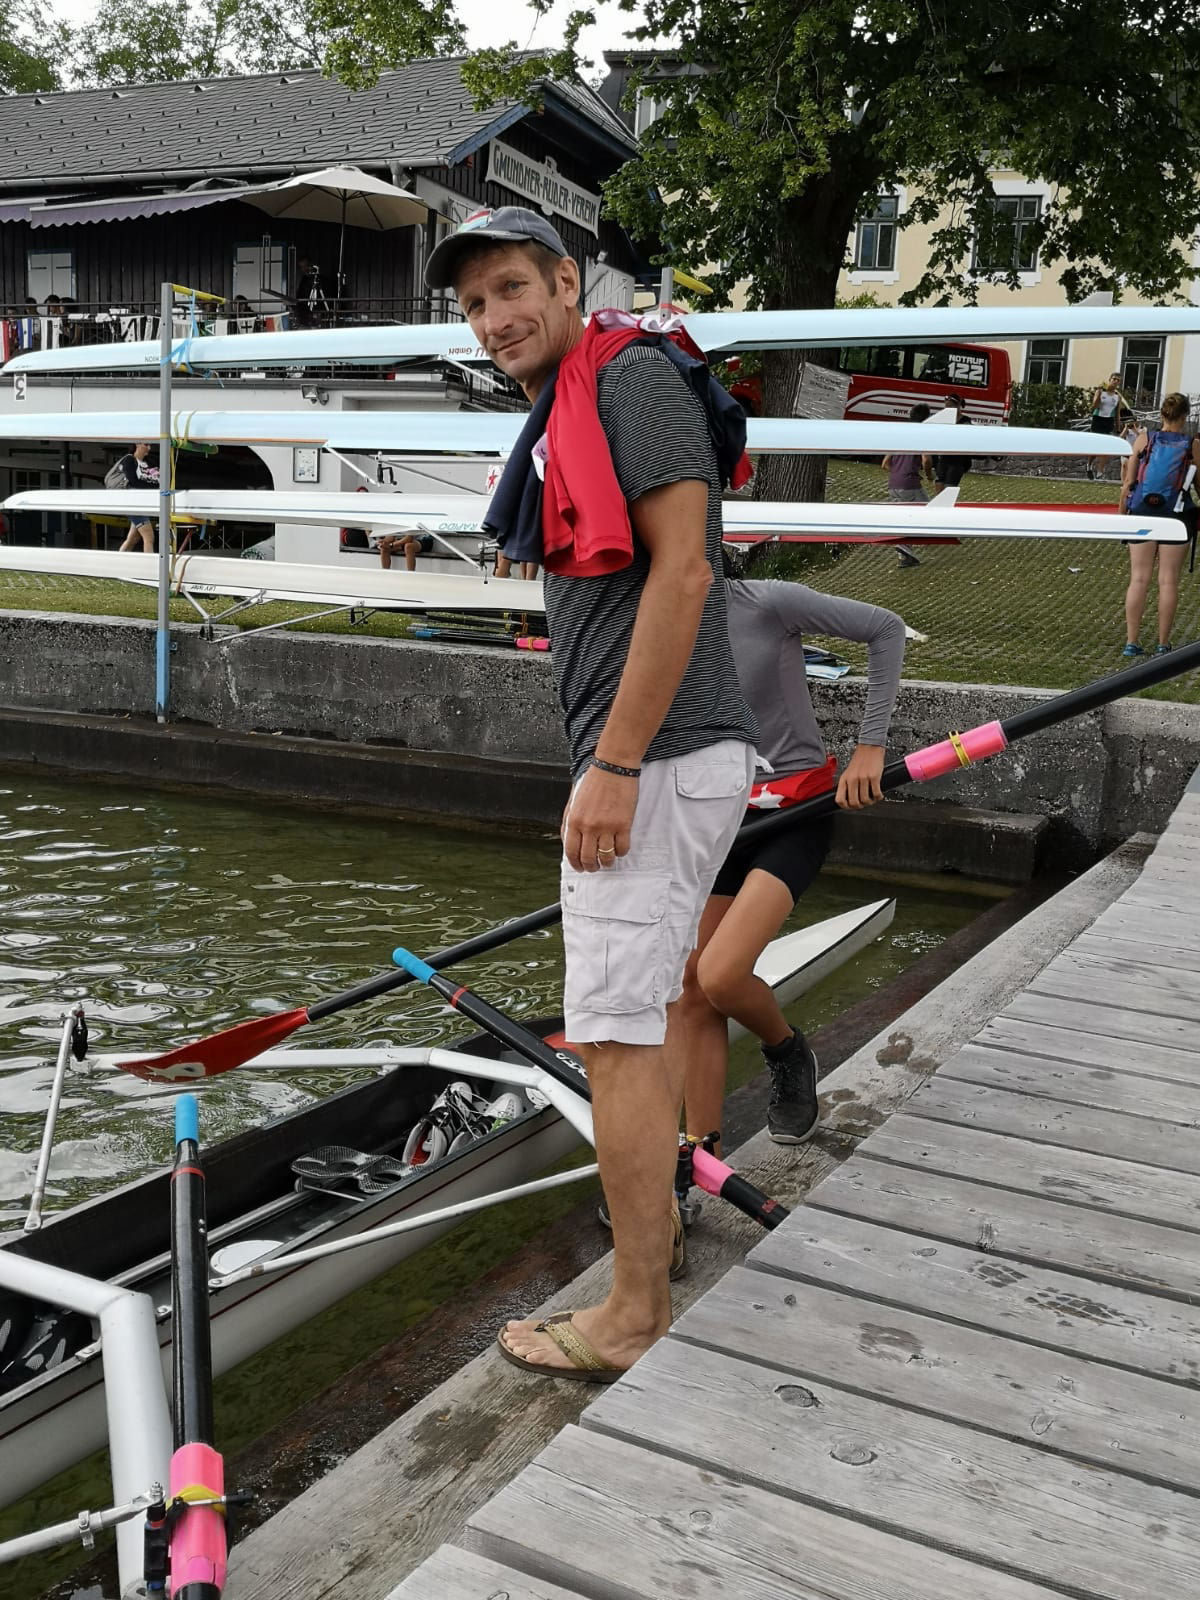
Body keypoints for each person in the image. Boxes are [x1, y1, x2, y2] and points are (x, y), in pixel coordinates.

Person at [425, 205, 756, 1382]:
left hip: (655, 761)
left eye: (512, 287)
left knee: (613, 1040)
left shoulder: (627, 382)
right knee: (644, 1021)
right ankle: (647, 1273)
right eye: (472, 304)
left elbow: (686, 569)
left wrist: (611, 765)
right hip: (658, 757)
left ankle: (630, 1313)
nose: (495, 318)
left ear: (567, 281)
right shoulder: (578, 396)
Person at [677, 576, 904, 1164]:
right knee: (691, 994)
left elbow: (885, 628)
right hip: (715, 820)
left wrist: (870, 745)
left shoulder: (763, 602)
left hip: (795, 810)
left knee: (721, 976)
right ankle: (697, 1164)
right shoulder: (644, 620)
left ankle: (785, 1050)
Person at [1119, 391, 1200, 657]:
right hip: (1176, 515)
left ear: (1163, 414)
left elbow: (1128, 485)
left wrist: (1122, 518)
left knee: (1139, 578)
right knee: (1168, 581)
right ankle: (1163, 644)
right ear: (1185, 416)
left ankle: (1132, 642)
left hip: (1142, 512)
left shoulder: (1144, 439)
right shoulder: (1192, 445)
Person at [881, 402, 934, 568]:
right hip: (909, 484)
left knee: (903, 516)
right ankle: (907, 543)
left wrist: (898, 471)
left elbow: (885, 463)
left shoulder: (901, 435)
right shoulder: (923, 435)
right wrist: (929, 475)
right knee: (929, 511)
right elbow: (926, 459)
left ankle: (904, 555)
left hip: (894, 484)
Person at [113, 443, 158, 553]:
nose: (149, 448)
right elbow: (134, 482)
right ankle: (149, 567)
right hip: (133, 502)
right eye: (146, 444)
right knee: (149, 537)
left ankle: (118, 561)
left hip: (141, 503)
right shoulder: (129, 460)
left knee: (133, 539)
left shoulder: (146, 463)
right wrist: (154, 487)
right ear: (137, 444)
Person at [1088, 373, 1131, 479]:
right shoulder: (1101, 391)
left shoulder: (1117, 396)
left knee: (1106, 447)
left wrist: (1118, 426)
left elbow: (1117, 413)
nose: (1115, 381)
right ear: (1109, 380)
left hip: (1109, 421)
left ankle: (1100, 472)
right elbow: (1094, 406)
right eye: (1114, 379)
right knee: (1095, 447)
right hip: (1098, 419)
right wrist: (1098, 395)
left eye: (1118, 380)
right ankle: (1089, 465)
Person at [932, 393, 972, 495]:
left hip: (957, 461)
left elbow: (965, 440)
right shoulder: (943, 419)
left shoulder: (965, 421)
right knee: (938, 487)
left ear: (958, 406)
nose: (947, 409)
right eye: (946, 406)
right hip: (944, 458)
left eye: (950, 406)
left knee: (948, 489)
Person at [339, 483, 372, 552]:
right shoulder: (352, 508)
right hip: (351, 535)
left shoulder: (370, 509)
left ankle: (371, 541)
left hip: (364, 537)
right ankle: (371, 541)